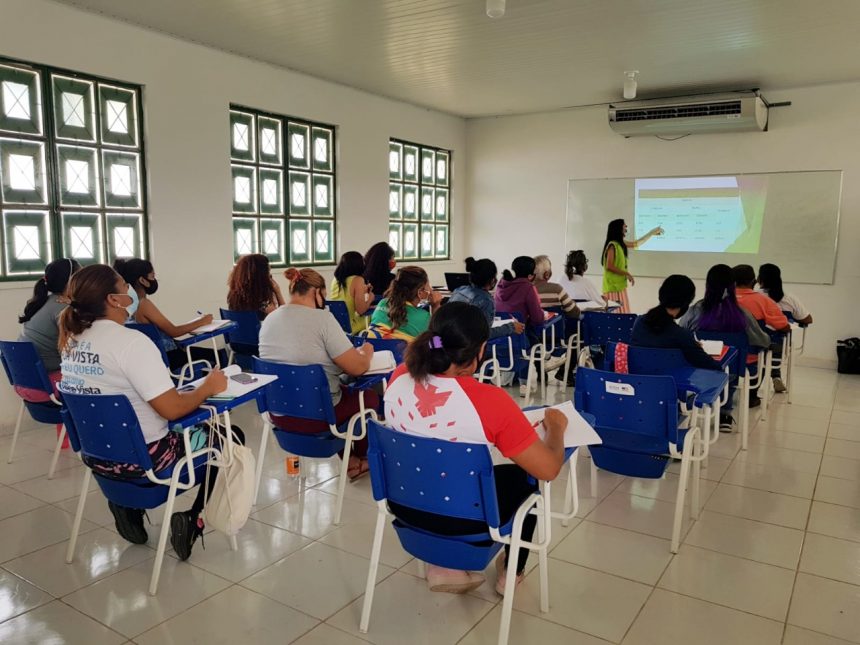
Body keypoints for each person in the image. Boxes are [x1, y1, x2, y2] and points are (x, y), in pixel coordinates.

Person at [58, 264, 241, 560]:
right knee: (228, 435)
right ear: (114, 300)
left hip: (99, 460)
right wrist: (208, 387)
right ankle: (192, 519)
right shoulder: (131, 343)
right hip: (150, 459)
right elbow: (171, 410)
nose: (130, 291)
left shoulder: (70, 341)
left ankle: (126, 507)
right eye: (123, 286)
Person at [383, 302, 568, 595]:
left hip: (406, 507)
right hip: (464, 521)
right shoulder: (490, 400)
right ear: (480, 350)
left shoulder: (400, 375)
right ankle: (510, 571)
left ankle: (443, 564)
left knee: (442, 469)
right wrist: (556, 428)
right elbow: (549, 468)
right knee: (525, 481)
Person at [259, 267, 378, 479]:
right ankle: (361, 460)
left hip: (279, 416)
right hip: (318, 418)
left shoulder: (269, 320)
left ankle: (351, 461)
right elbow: (358, 367)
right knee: (367, 397)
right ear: (316, 293)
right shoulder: (322, 319)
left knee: (337, 390)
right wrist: (366, 351)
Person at [679, 264, 771, 420]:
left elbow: (681, 333)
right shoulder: (741, 314)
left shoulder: (695, 310)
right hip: (732, 372)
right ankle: (725, 412)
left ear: (707, 285)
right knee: (728, 369)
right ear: (733, 286)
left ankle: (696, 405)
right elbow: (762, 340)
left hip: (699, 370)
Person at [114, 258, 217, 371]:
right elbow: (173, 331)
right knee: (217, 356)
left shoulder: (126, 306)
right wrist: (202, 321)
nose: (155, 280)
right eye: (152, 276)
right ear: (143, 280)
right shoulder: (144, 304)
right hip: (170, 358)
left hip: (152, 359)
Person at [17, 257, 81, 396]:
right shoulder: (62, 308)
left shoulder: (40, 302)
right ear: (71, 281)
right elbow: (80, 348)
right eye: (81, 277)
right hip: (48, 385)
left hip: (25, 382)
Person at [630, 274, 721, 371]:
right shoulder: (682, 336)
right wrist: (692, 345)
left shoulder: (639, 322)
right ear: (686, 303)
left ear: (661, 295)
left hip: (638, 383)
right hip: (672, 385)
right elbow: (710, 365)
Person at [734, 264, 792, 394]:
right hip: (751, 355)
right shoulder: (763, 301)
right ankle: (752, 393)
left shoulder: (719, 300)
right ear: (754, 281)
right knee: (768, 345)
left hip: (723, 356)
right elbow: (783, 326)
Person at [448, 257, 524, 339]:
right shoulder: (486, 300)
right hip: (465, 345)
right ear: (492, 280)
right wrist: (510, 328)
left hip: (448, 340)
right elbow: (483, 334)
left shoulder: (459, 290)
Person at [600, 218, 664, 313]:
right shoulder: (612, 245)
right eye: (624, 226)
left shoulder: (620, 243)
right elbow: (609, 266)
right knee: (616, 318)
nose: (626, 228)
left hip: (619, 287)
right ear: (618, 229)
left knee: (624, 314)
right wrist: (626, 273)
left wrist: (651, 233)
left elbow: (636, 244)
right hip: (612, 288)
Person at [368, 266, 441, 341]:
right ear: (420, 292)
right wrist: (436, 306)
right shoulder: (424, 317)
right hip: (402, 352)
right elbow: (436, 343)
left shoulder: (382, 303)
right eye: (428, 285)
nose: (430, 289)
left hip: (373, 350)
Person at [226, 253, 284, 319]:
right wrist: (278, 292)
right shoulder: (264, 305)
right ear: (261, 276)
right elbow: (284, 318)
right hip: (260, 329)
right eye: (268, 273)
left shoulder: (235, 297)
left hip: (241, 329)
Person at [329, 251, 373, 334]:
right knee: (375, 316)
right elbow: (361, 310)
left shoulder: (336, 280)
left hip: (336, 325)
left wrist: (362, 290)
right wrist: (370, 297)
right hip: (351, 326)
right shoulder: (358, 280)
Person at [494, 256, 544, 326]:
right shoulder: (528, 288)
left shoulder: (500, 284)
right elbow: (537, 319)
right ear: (530, 276)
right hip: (518, 332)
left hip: (498, 332)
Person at [533, 255, 581, 321]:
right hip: (556, 330)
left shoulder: (526, 291)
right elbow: (575, 313)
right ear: (547, 274)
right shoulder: (557, 289)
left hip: (533, 330)